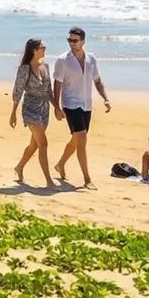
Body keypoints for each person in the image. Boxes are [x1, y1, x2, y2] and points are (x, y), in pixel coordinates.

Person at [52, 26, 111, 187]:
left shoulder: (91, 59)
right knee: (82, 139)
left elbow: (97, 80)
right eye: (69, 40)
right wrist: (56, 107)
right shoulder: (63, 60)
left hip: (86, 105)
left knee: (77, 140)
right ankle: (87, 179)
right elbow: (57, 84)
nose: (71, 43)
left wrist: (105, 98)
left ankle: (60, 164)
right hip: (71, 104)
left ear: (83, 42)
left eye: (75, 40)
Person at [10, 38, 54, 187]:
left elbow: (49, 90)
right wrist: (13, 113)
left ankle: (20, 166)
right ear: (34, 50)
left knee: (34, 145)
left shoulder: (45, 66)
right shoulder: (25, 69)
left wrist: (57, 108)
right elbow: (18, 90)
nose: (44, 50)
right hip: (30, 109)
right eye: (42, 47)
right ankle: (49, 180)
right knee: (43, 143)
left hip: (44, 109)